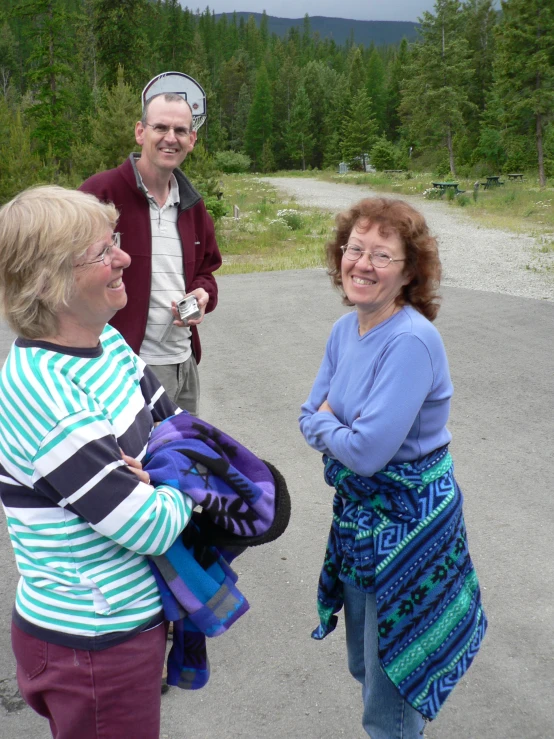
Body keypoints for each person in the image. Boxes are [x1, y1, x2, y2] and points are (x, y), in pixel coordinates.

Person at [0, 186, 194, 739]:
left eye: (116, 241)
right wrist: (173, 483)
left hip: (126, 618)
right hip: (92, 641)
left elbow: (179, 429)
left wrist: (157, 475)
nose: (125, 257)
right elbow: (148, 525)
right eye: (102, 251)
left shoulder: (106, 342)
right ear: (48, 282)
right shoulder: (43, 392)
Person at [299, 198, 487, 738]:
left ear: (408, 272)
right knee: (367, 667)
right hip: (363, 526)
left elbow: (365, 453)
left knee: (391, 695)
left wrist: (329, 426)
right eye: (354, 249)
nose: (362, 264)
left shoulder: (410, 341)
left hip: (410, 530)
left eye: (382, 255)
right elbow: (307, 416)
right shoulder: (345, 330)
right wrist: (331, 426)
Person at [79, 91, 222, 416]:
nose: (170, 138)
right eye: (160, 128)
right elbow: (65, 272)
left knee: (183, 462)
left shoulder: (194, 206)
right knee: (135, 465)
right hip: (122, 369)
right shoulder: (98, 195)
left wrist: (203, 295)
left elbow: (206, 271)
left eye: (181, 130)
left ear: (192, 139)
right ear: (141, 132)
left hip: (184, 363)